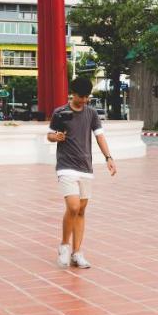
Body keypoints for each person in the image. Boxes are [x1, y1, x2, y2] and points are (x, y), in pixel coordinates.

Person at [46, 76, 116, 269]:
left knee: (81, 210)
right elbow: (50, 135)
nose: (85, 100)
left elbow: (100, 136)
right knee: (73, 206)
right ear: (73, 93)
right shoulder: (60, 112)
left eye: (87, 97)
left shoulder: (91, 113)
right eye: (81, 96)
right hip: (66, 166)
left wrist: (108, 157)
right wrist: (57, 137)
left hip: (86, 167)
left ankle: (77, 252)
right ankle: (64, 246)